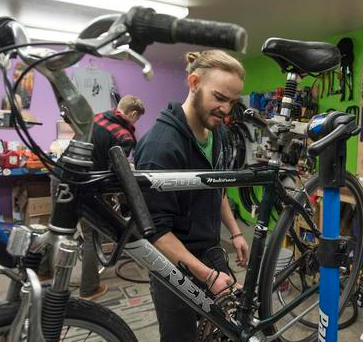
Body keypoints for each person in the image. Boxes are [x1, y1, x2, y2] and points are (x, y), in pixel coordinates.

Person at [134, 50, 249, 342]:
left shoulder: (217, 132)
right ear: (194, 82)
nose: (226, 110)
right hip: (173, 262)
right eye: (220, 98)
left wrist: (235, 233)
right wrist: (207, 277)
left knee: (226, 328)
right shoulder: (161, 147)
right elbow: (156, 232)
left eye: (233, 102)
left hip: (210, 250)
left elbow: (216, 188)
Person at [79, 94, 145, 300]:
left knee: (59, 229)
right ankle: (89, 288)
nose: (136, 123)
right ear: (133, 114)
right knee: (91, 236)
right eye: (137, 119)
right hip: (86, 186)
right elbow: (117, 170)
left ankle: (43, 271)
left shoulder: (97, 118)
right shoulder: (124, 136)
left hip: (64, 174)